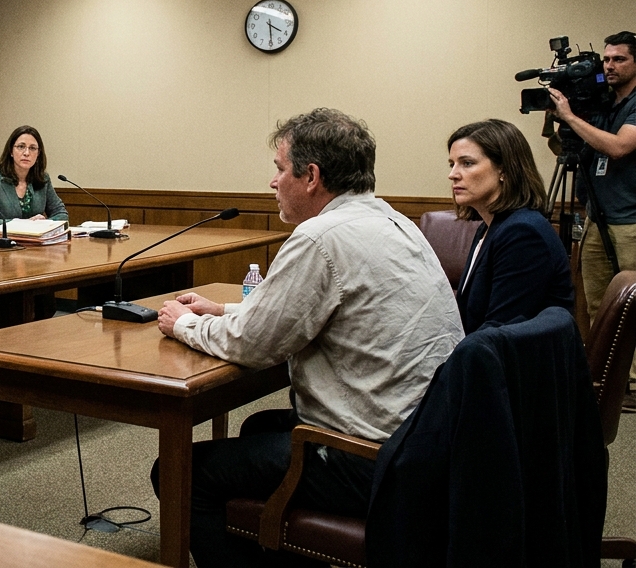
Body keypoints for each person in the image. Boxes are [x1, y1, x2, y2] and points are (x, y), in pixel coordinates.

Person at [155, 108, 462, 568]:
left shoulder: (320, 237)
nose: (273, 182)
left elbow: (253, 345)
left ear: (312, 176)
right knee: (258, 428)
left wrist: (182, 323)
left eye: (280, 169)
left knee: (180, 473)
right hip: (428, 443)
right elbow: (323, 308)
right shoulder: (395, 222)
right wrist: (222, 309)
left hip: (371, 457)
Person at [550, 30, 636, 412]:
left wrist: (570, 115)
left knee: (631, 303)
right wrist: (561, 120)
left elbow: (618, 147)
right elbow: (570, 148)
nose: (610, 65)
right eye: (606, 59)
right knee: (601, 305)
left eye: (619, 59)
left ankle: (633, 383)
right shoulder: (600, 102)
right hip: (595, 214)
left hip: (629, 219)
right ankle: (609, 378)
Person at [447, 119, 573, 333]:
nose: (453, 174)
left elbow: (502, 330)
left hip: (521, 362)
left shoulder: (523, 233)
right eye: (452, 164)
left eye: (467, 163)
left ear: (503, 170)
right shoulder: (488, 227)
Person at [0, 125, 68, 233]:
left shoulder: (42, 179)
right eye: (21, 146)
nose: (26, 153)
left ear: (38, 154)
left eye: (32, 148)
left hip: (36, 245)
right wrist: (24, 224)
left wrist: (44, 224)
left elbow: (61, 214)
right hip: (2, 245)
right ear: (11, 151)